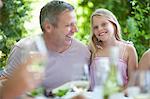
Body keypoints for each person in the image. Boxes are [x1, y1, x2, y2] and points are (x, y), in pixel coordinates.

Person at [0, 0, 90, 96]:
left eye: (75, 24)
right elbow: (3, 83)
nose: (75, 30)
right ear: (48, 27)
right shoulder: (23, 49)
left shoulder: (82, 51)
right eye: (68, 25)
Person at [89, 8, 138, 89]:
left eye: (104, 24)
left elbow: (133, 82)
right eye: (95, 27)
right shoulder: (92, 49)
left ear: (113, 25)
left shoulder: (128, 49)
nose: (100, 29)